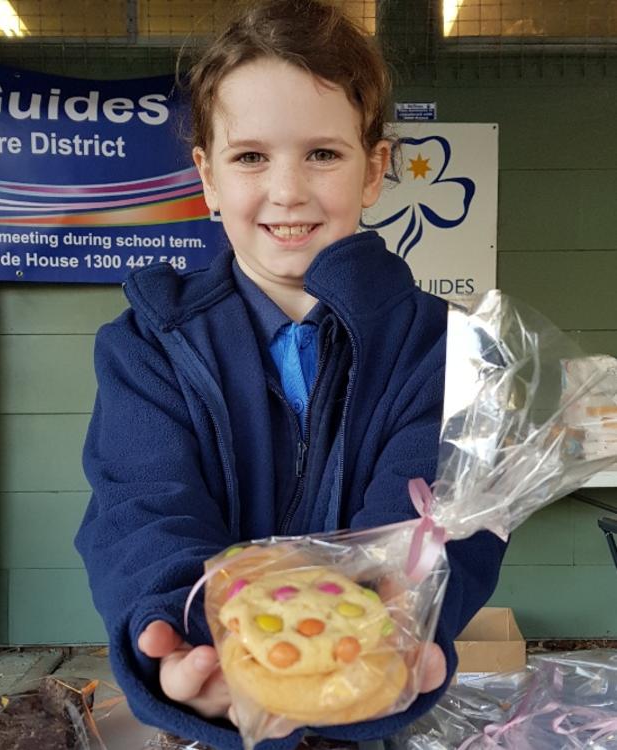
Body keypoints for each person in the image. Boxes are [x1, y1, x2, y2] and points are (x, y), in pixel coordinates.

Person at [75, 1, 506, 748]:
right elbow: (143, 508)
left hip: (362, 704)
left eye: (322, 155)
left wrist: (397, 616)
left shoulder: (441, 349)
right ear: (207, 177)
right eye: (250, 157)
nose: (286, 191)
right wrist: (186, 629)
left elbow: (438, 518)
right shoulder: (148, 345)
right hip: (208, 713)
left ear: (374, 169)